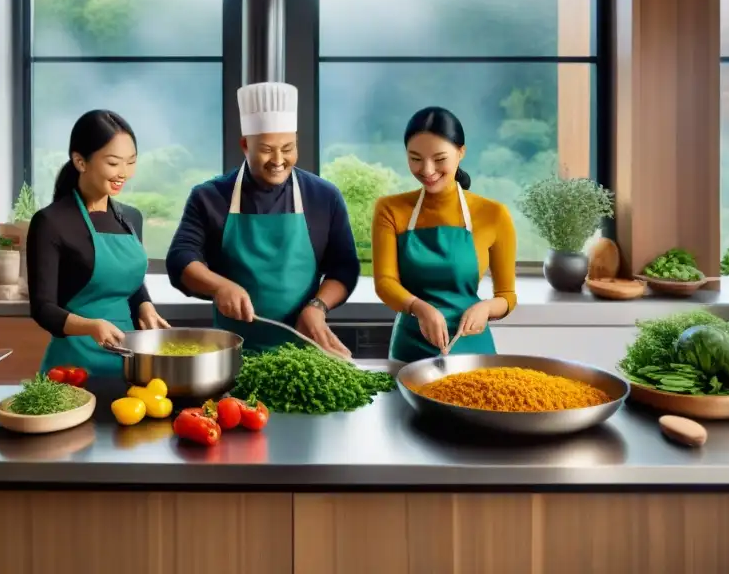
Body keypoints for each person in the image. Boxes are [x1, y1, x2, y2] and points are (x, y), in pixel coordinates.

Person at [166, 82, 360, 356]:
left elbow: (344, 268)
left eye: (288, 147)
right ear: (245, 145)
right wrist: (219, 286)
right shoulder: (210, 197)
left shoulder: (323, 196)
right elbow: (180, 258)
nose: (278, 160)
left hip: (304, 356)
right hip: (231, 354)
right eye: (267, 149)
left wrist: (317, 307)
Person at [372, 106, 517, 368]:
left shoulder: (493, 214)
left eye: (439, 159)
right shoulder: (390, 209)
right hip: (410, 346)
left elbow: (507, 295)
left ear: (461, 152)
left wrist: (485, 308)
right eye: (415, 158)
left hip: (472, 346)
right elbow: (385, 282)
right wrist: (420, 308)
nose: (427, 170)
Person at [27, 109, 168, 377]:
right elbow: (42, 308)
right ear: (80, 161)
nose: (123, 173)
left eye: (131, 162)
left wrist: (144, 305)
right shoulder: (50, 222)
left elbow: (130, 282)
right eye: (114, 163)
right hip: (73, 368)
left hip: (128, 362)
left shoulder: (131, 218)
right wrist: (91, 326)